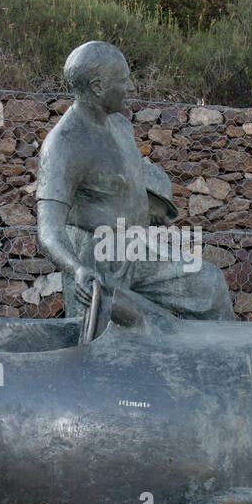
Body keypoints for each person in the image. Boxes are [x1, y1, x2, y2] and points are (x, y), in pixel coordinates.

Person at [36, 40, 235, 321]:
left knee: (209, 285)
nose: (131, 88)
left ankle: (223, 362)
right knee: (100, 344)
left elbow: (118, 181)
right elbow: (48, 230)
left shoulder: (120, 124)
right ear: (97, 86)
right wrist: (77, 269)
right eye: (124, 80)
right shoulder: (63, 145)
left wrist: (151, 208)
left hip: (135, 246)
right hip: (95, 256)